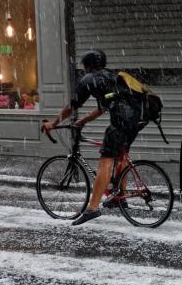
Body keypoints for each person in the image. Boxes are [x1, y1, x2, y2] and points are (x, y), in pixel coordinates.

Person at [42, 50, 145, 226]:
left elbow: (71, 107)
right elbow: (103, 107)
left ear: (87, 65)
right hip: (138, 118)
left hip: (121, 120)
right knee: (121, 154)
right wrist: (83, 120)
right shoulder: (111, 77)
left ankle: (92, 208)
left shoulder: (89, 80)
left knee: (106, 159)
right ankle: (120, 196)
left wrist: (53, 123)